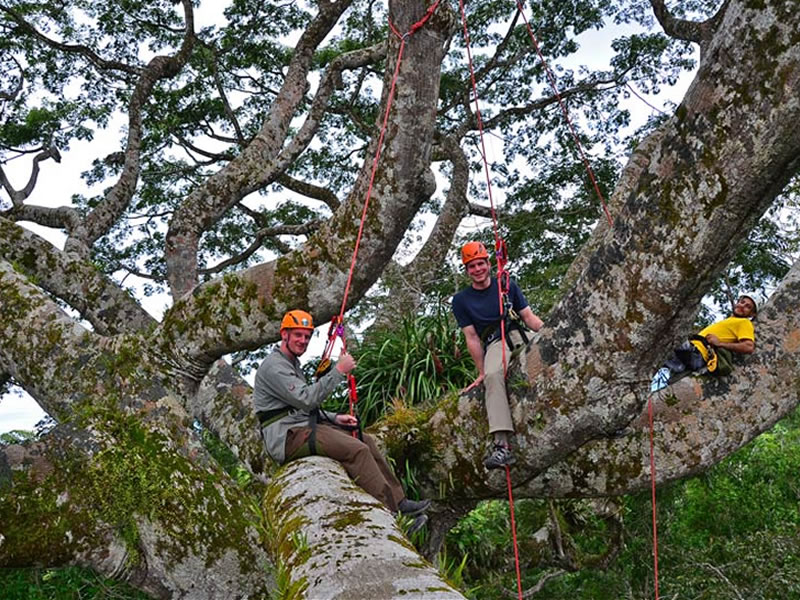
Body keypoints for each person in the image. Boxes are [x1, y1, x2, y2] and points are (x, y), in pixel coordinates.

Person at [254, 309, 430, 533]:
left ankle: (400, 501)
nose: (303, 341)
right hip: (287, 437)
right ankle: (394, 518)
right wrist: (338, 371)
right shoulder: (274, 367)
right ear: (284, 335)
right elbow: (307, 400)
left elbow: (300, 407)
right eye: (298, 335)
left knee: (363, 438)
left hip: (301, 426)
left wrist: (336, 418)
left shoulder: (291, 364)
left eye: (307, 337)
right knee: (356, 450)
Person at [451, 242, 544, 469]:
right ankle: (502, 446)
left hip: (519, 332)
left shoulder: (506, 285)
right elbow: (471, 337)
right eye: (472, 266)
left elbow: (528, 317)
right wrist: (481, 371)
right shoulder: (461, 300)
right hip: (495, 340)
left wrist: (550, 332)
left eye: (481, 263)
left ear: (488, 264)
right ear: (467, 271)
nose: (478, 269)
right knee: (493, 376)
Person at [651, 294, 757, 392]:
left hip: (697, 353)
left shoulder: (744, 322)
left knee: (669, 332)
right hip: (689, 356)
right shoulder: (728, 321)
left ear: (752, 314)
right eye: (742, 302)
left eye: (748, 307)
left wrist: (720, 343)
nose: (742, 306)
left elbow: (748, 347)